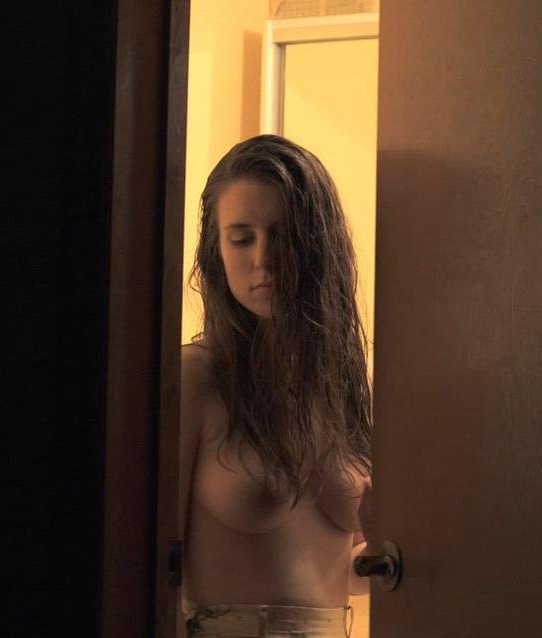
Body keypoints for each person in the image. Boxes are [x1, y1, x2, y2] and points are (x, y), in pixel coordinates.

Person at [179, 134, 373, 637]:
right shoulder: (196, 377)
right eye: (241, 238)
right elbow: (145, 558)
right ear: (216, 251)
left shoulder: (350, 386)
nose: (263, 259)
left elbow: (347, 567)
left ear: (319, 245)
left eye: (284, 236)